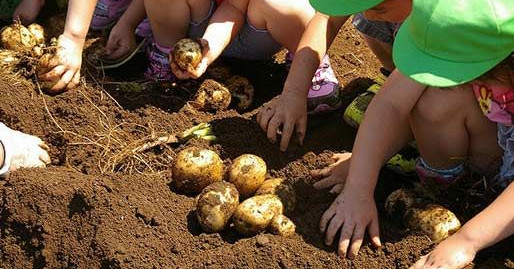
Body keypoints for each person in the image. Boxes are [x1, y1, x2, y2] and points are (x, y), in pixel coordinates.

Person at [313, 1, 513, 269]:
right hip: (496, 132)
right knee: (433, 97)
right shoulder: (455, 32)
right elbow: (391, 104)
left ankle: (493, 219)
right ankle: (456, 192)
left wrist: (467, 240)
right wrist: (359, 184)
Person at [256, 0, 412, 152]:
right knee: (369, 13)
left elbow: (417, 76)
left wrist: (361, 160)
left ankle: (418, 134)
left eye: (380, 9)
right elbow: (327, 18)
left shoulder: (432, 22)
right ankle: (393, 75)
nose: (368, 15)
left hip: (430, 75)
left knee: (429, 106)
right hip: (409, 30)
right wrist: (293, 92)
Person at [145, 0, 341, 114]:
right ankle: (168, 56)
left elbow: (234, 7)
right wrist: (126, 24)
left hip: (259, 32)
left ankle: (308, 62)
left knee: (282, 4)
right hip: (201, 25)